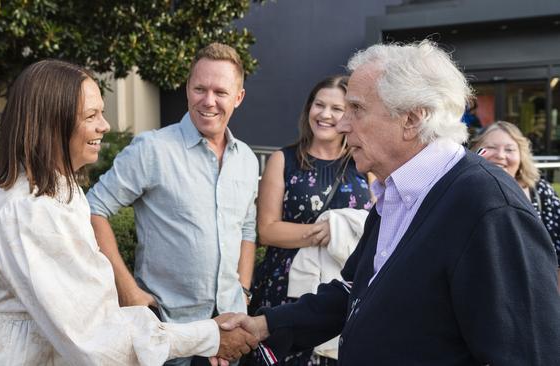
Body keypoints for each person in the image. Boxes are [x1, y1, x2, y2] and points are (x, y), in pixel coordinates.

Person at [217, 40, 560, 365]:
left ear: (411, 119)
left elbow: (527, 353)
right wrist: (265, 325)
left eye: (356, 109)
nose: (342, 122)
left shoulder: (489, 207)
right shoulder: (396, 190)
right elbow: (355, 291)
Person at [0, 59, 257, 365]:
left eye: (102, 112)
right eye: (91, 115)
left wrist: (236, 300)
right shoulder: (28, 212)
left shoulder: (62, 191)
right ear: (52, 123)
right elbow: (93, 337)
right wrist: (206, 337)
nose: (105, 125)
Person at [86, 43, 258, 365]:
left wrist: (244, 292)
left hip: (231, 327)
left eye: (220, 91)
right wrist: (129, 292)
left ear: (238, 97)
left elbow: (247, 228)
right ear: (187, 89)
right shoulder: (152, 149)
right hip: (169, 333)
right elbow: (93, 209)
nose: (208, 101)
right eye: (199, 88)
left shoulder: (247, 160)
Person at [248, 75, 372, 365]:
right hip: (286, 287)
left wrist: (338, 231)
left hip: (343, 288)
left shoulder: (364, 164)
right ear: (309, 109)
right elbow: (267, 230)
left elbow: (374, 224)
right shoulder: (284, 160)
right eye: (319, 105)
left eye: (337, 108)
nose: (325, 115)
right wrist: (328, 231)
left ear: (350, 115)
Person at [471, 120, 560, 292]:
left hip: (537, 295)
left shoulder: (541, 192)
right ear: (476, 151)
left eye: (510, 149)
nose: (500, 155)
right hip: (482, 296)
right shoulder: (462, 192)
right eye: (490, 147)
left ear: (521, 156)